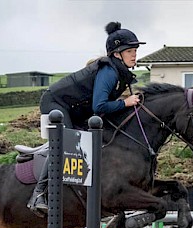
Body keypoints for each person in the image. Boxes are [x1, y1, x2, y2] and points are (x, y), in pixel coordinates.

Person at [27, 21, 145, 215]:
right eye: (130, 50)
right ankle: (39, 193)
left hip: (76, 108)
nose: (134, 54)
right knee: (66, 142)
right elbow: (99, 106)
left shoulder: (119, 72)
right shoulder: (109, 72)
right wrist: (125, 103)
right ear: (117, 54)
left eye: (135, 50)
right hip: (57, 103)